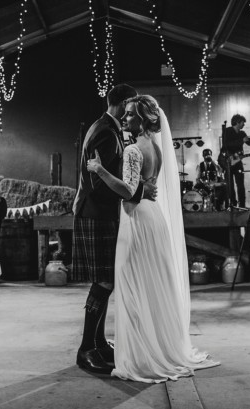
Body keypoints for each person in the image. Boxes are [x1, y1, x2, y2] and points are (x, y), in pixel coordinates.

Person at [85, 95, 219, 383]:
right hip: (153, 217)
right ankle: (158, 347)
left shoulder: (134, 149)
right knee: (152, 285)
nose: (125, 118)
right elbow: (144, 186)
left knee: (134, 286)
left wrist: (99, 169)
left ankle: (142, 356)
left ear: (144, 120)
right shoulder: (157, 147)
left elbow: (126, 190)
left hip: (137, 220)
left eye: (131, 115)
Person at [70, 83, 156, 375]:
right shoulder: (105, 131)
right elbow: (97, 182)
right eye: (129, 107)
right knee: (103, 281)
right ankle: (86, 349)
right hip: (97, 214)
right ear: (123, 103)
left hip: (103, 213)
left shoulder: (108, 128)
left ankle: (98, 342)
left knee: (107, 280)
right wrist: (137, 191)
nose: (131, 114)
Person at [220, 114, 250, 209]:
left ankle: (242, 205)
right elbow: (226, 144)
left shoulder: (242, 133)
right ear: (237, 122)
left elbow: (249, 143)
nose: (244, 125)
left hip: (238, 160)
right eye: (243, 122)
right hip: (228, 160)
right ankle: (233, 204)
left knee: (240, 184)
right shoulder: (227, 131)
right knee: (230, 184)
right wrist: (241, 140)